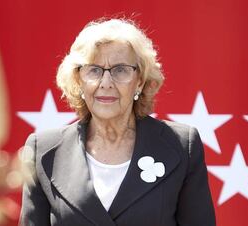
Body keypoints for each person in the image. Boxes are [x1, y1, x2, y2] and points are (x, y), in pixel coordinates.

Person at [19, 18, 216, 226]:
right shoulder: (44, 151)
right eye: (94, 70)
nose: (106, 83)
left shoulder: (181, 146)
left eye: (120, 70)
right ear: (78, 81)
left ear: (139, 81)